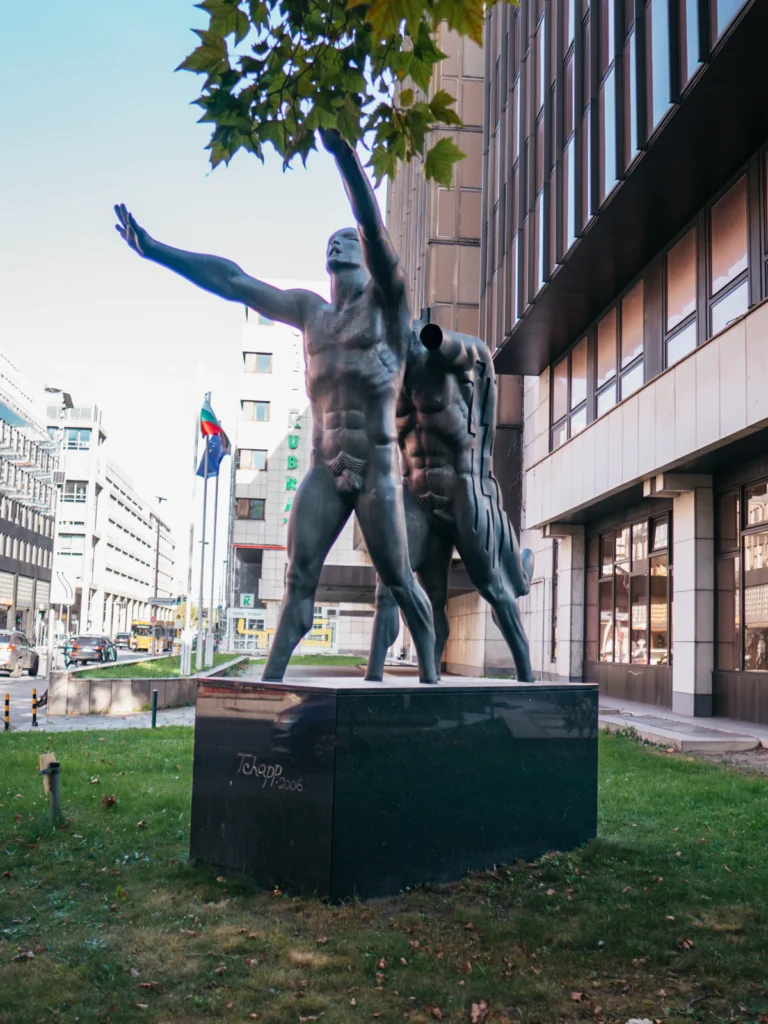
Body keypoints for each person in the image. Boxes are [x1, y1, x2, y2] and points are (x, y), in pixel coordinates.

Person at [114, 129, 437, 682]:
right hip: (325, 469)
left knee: (401, 581)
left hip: (377, 471)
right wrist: (158, 251)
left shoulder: (387, 304)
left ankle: (430, 672)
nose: (333, 245)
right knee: (297, 581)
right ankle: (268, 684)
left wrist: (343, 155)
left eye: (345, 240)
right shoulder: (311, 312)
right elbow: (235, 280)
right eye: (328, 242)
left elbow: (373, 227)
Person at [366, 319, 535, 682]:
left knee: (493, 587)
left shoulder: (456, 359)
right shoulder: (388, 377)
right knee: (391, 583)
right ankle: (375, 676)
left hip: (463, 489)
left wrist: (438, 341)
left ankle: (526, 674)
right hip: (415, 493)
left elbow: (471, 351)